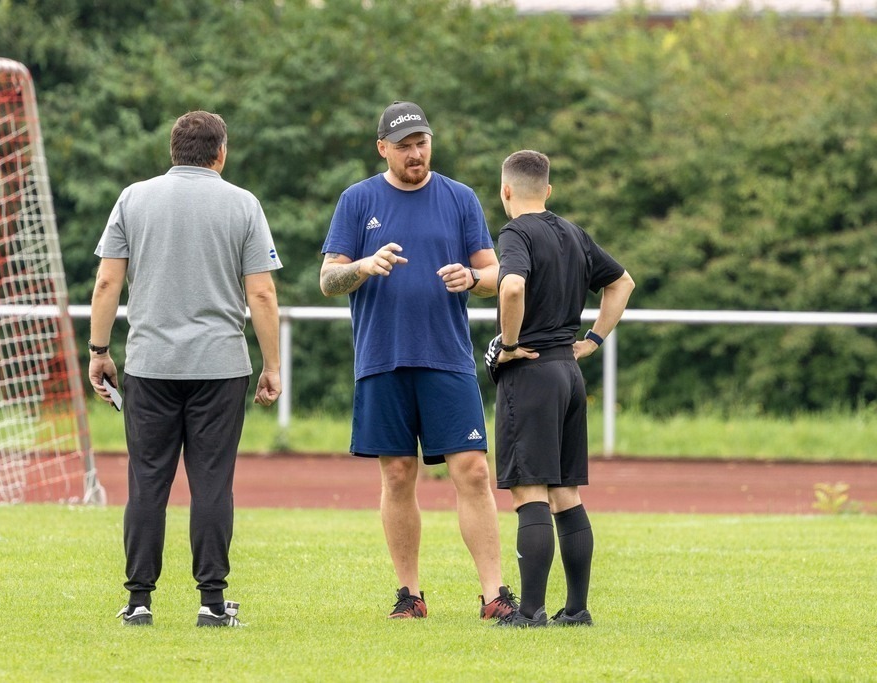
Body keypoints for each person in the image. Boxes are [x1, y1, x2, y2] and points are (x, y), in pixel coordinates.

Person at [319, 101, 517, 621]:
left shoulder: (460, 198)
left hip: (447, 358)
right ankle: (410, 595)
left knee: (473, 472)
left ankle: (494, 594)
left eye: (421, 142)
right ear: (383, 147)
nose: (415, 153)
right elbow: (327, 279)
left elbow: (498, 275)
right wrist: (363, 265)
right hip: (382, 359)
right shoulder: (357, 200)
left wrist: (473, 280)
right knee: (398, 474)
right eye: (404, 145)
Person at [88, 110, 282, 628]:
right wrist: (272, 364)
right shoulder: (243, 203)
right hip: (221, 366)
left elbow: (107, 284)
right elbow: (260, 291)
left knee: (147, 482)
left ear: (174, 151)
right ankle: (212, 603)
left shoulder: (134, 198)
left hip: (150, 365)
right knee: (212, 483)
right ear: (220, 153)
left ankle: (138, 601)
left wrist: (99, 351)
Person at [486, 150, 635, 627]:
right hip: (569, 374)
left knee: (529, 492)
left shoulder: (515, 233)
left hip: (530, 373)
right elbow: (622, 282)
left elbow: (510, 288)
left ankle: (529, 612)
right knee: (566, 494)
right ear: (547, 190)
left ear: (506, 190)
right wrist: (593, 340)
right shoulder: (573, 232)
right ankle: (577, 609)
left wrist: (508, 345)